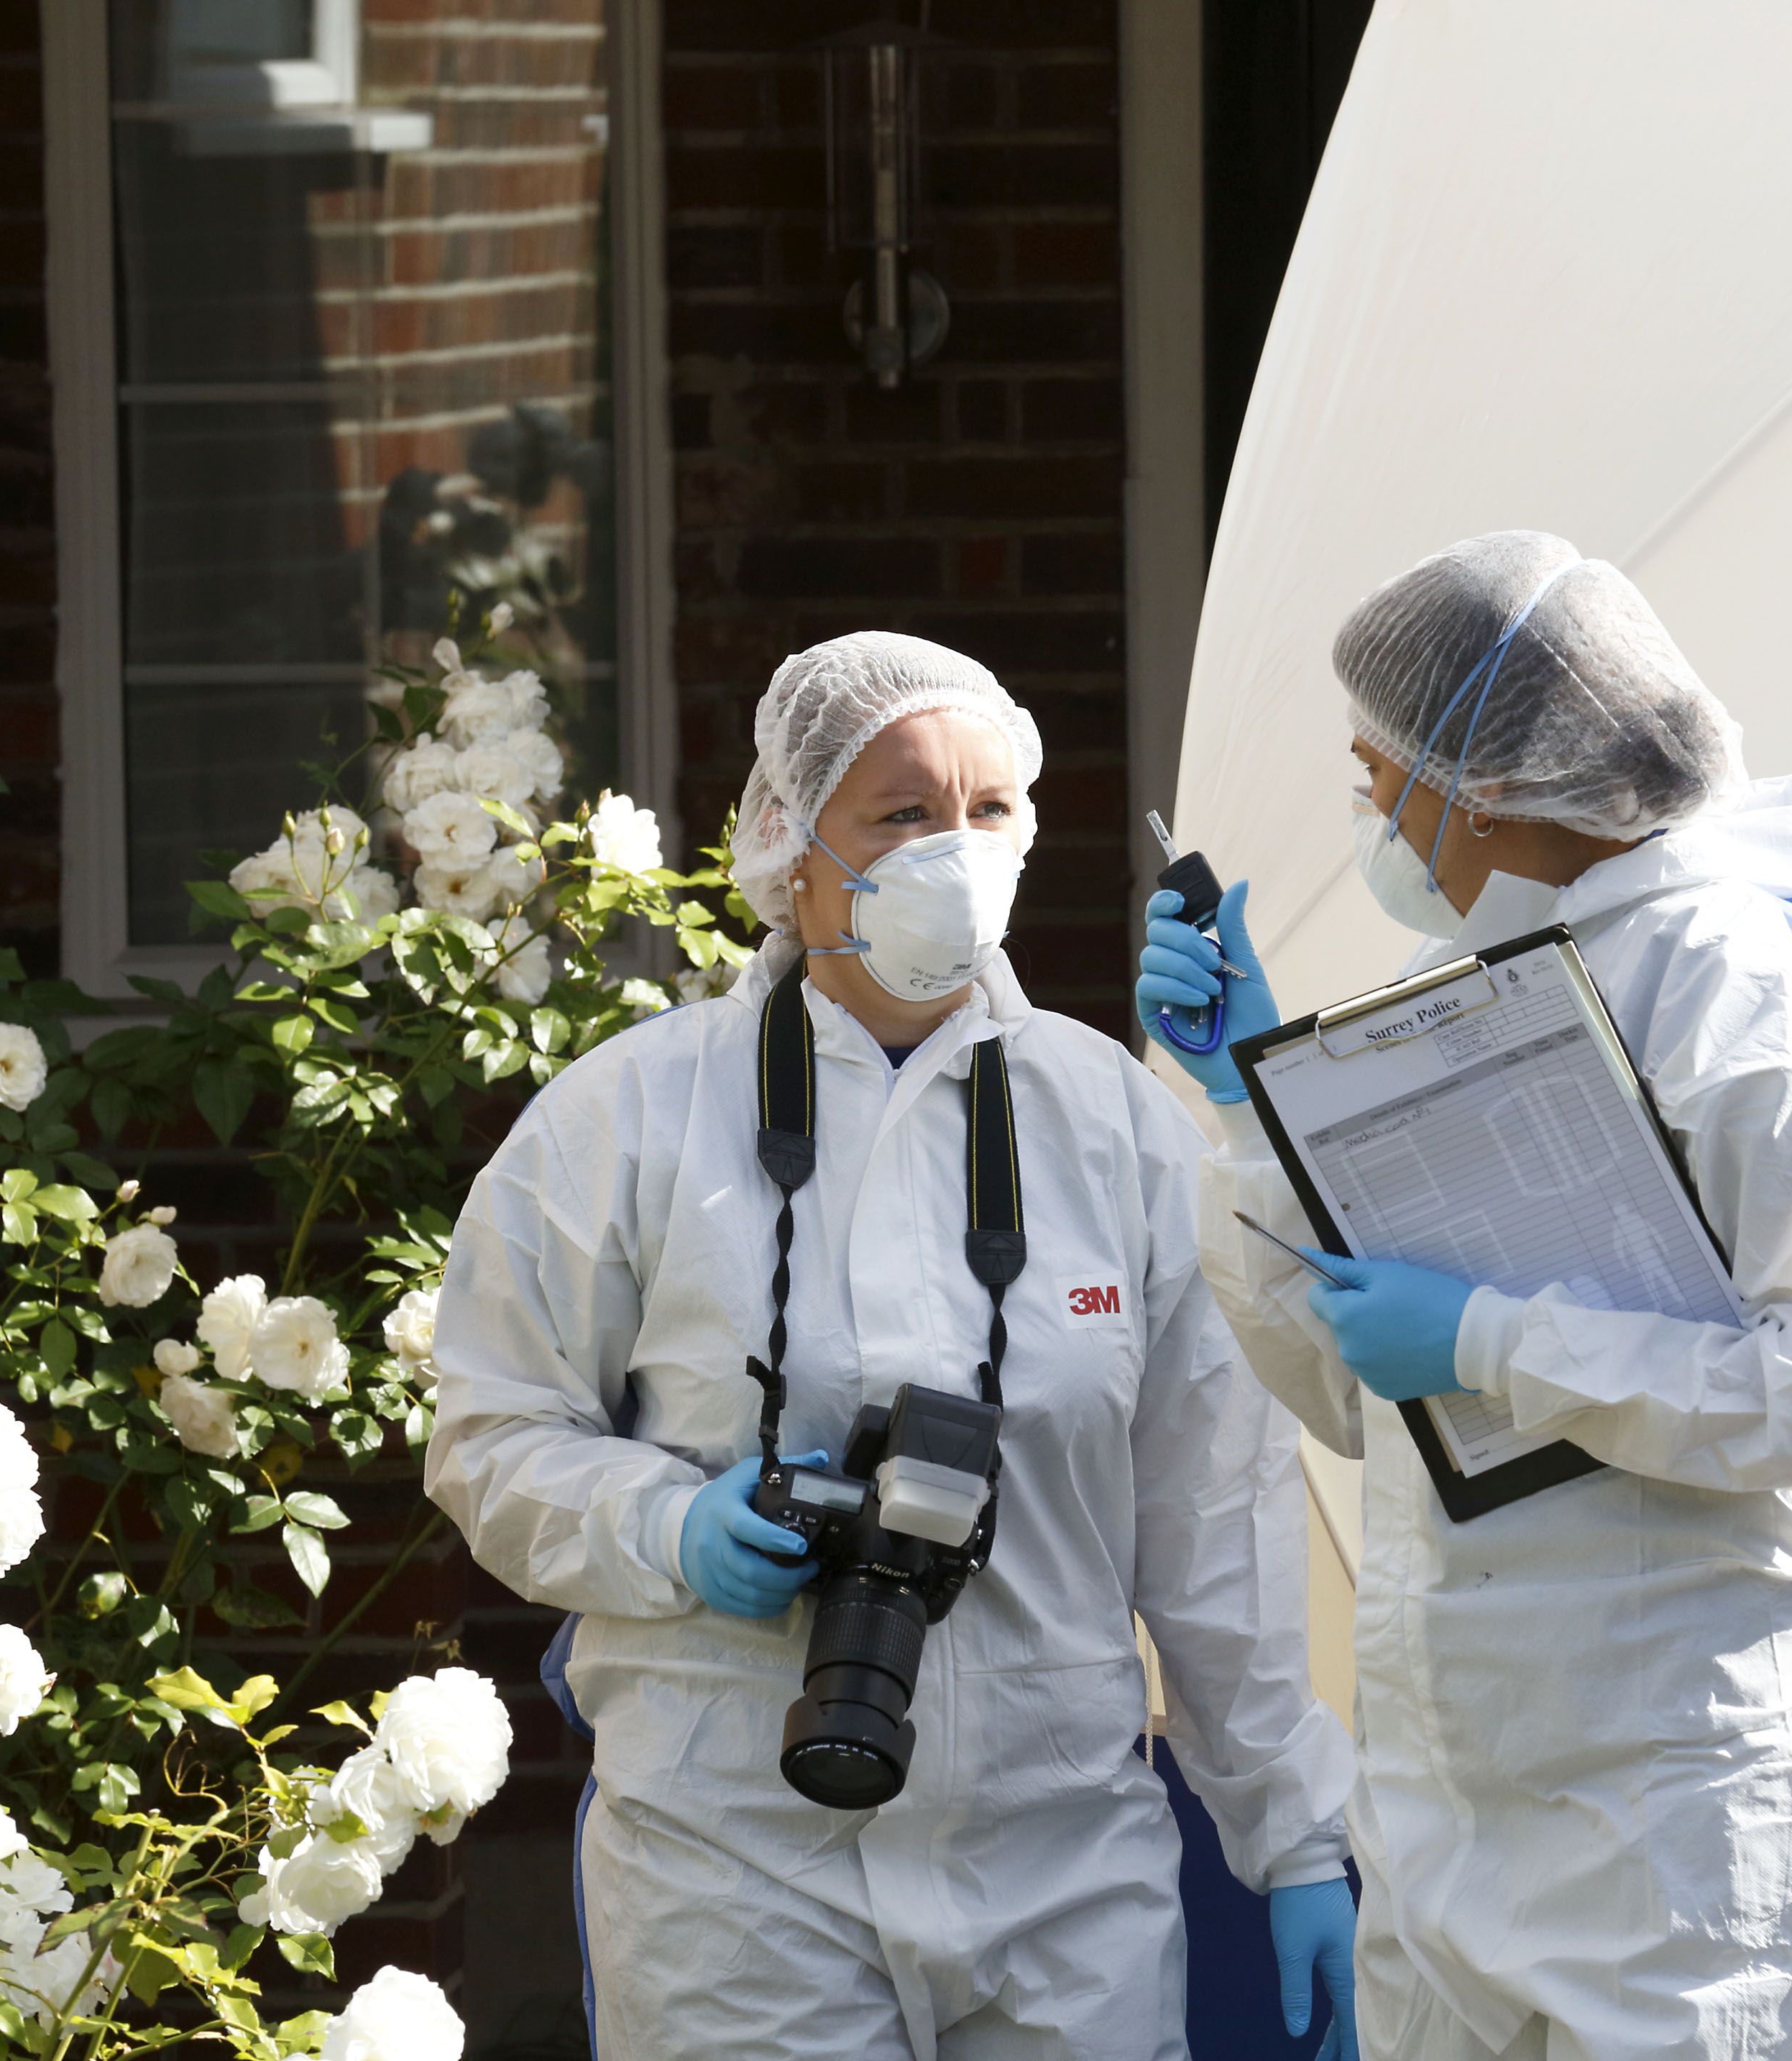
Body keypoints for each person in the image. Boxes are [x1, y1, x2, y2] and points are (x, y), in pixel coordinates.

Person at [428, 632, 1359, 2061]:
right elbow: (490, 1440)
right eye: (905, 815)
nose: (957, 853)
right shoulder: (627, 1122)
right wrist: (669, 1527)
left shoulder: (1113, 1130)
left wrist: (1292, 1838)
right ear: (791, 847)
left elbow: (1210, 1525)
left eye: (990, 813)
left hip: (1062, 1878)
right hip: (733, 1871)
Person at [1136, 535, 1792, 2061]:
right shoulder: (1485, 985)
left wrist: (1488, 1341)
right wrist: (1251, 1114)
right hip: (1451, 1802)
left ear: (1491, 784)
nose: (1374, 811)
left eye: (1382, 772)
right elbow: (1347, 1399)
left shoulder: (1736, 985)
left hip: (1674, 1820)